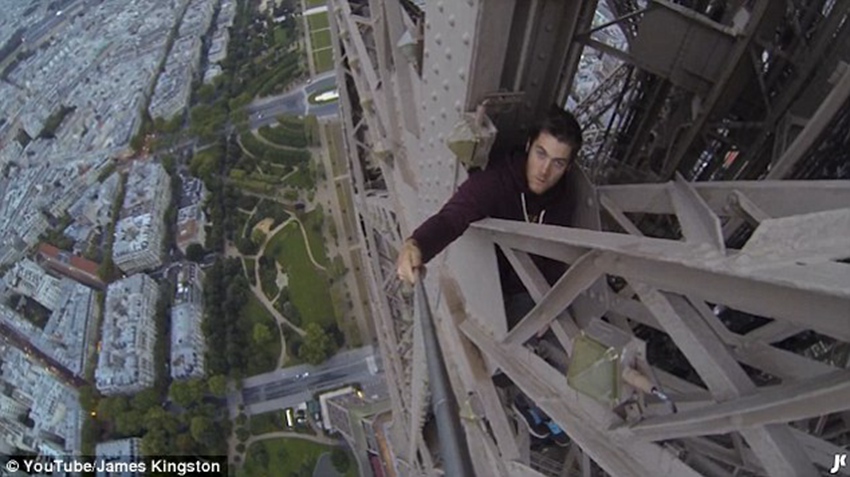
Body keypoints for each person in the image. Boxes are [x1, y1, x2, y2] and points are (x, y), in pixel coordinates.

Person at [396, 108, 583, 446]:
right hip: (495, 289)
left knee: (564, 344)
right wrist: (416, 244)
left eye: (557, 162)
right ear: (528, 145)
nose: (545, 170)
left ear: (568, 167)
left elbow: (559, 249)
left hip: (536, 288)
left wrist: (549, 303)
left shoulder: (564, 194)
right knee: (516, 349)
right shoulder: (495, 184)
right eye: (541, 154)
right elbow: (452, 218)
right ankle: (531, 406)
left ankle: (549, 411)